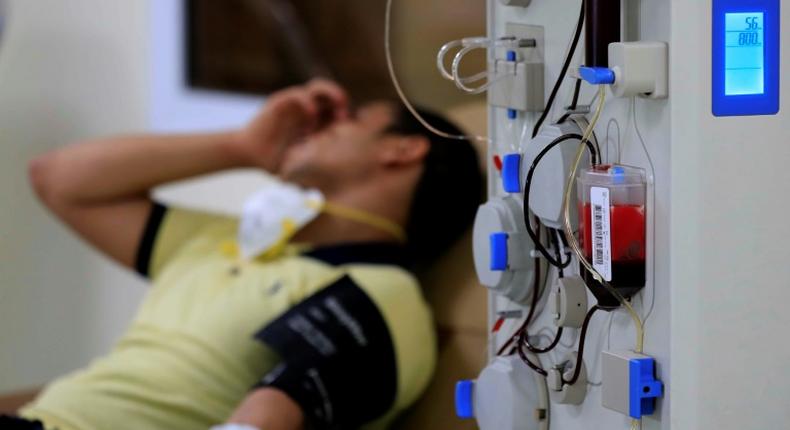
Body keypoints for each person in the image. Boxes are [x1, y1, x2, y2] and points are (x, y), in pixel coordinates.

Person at [7, 79, 483, 430]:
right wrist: (241, 146)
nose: (318, 125)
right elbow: (57, 179)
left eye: (351, 117)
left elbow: (264, 420)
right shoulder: (227, 241)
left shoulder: (380, 294)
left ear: (403, 149)